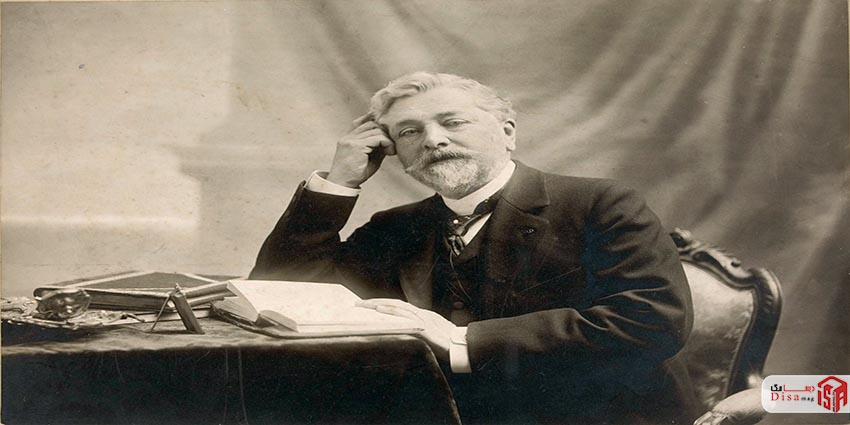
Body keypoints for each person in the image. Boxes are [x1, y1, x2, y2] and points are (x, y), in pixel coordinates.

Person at [250, 72, 697, 424]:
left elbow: (652, 320)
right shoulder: (396, 227)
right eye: (409, 132)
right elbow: (283, 293)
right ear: (395, 154)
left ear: (508, 132)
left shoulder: (599, 204)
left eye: (453, 122)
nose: (433, 140)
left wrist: (461, 340)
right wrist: (339, 182)